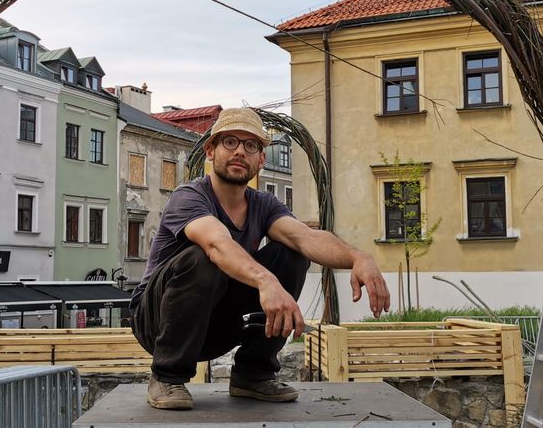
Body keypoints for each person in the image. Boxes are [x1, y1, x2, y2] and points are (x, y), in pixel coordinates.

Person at [130, 107, 390, 410]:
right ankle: (167, 376)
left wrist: (359, 257)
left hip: (217, 324)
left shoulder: (264, 204)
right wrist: (266, 280)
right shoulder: (189, 197)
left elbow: (304, 238)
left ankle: (253, 374)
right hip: (159, 322)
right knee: (204, 258)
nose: (240, 151)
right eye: (230, 142)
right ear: (211, 151)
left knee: (290, 254)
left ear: (261, 159)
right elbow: (216, 244)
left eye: (251, 145)